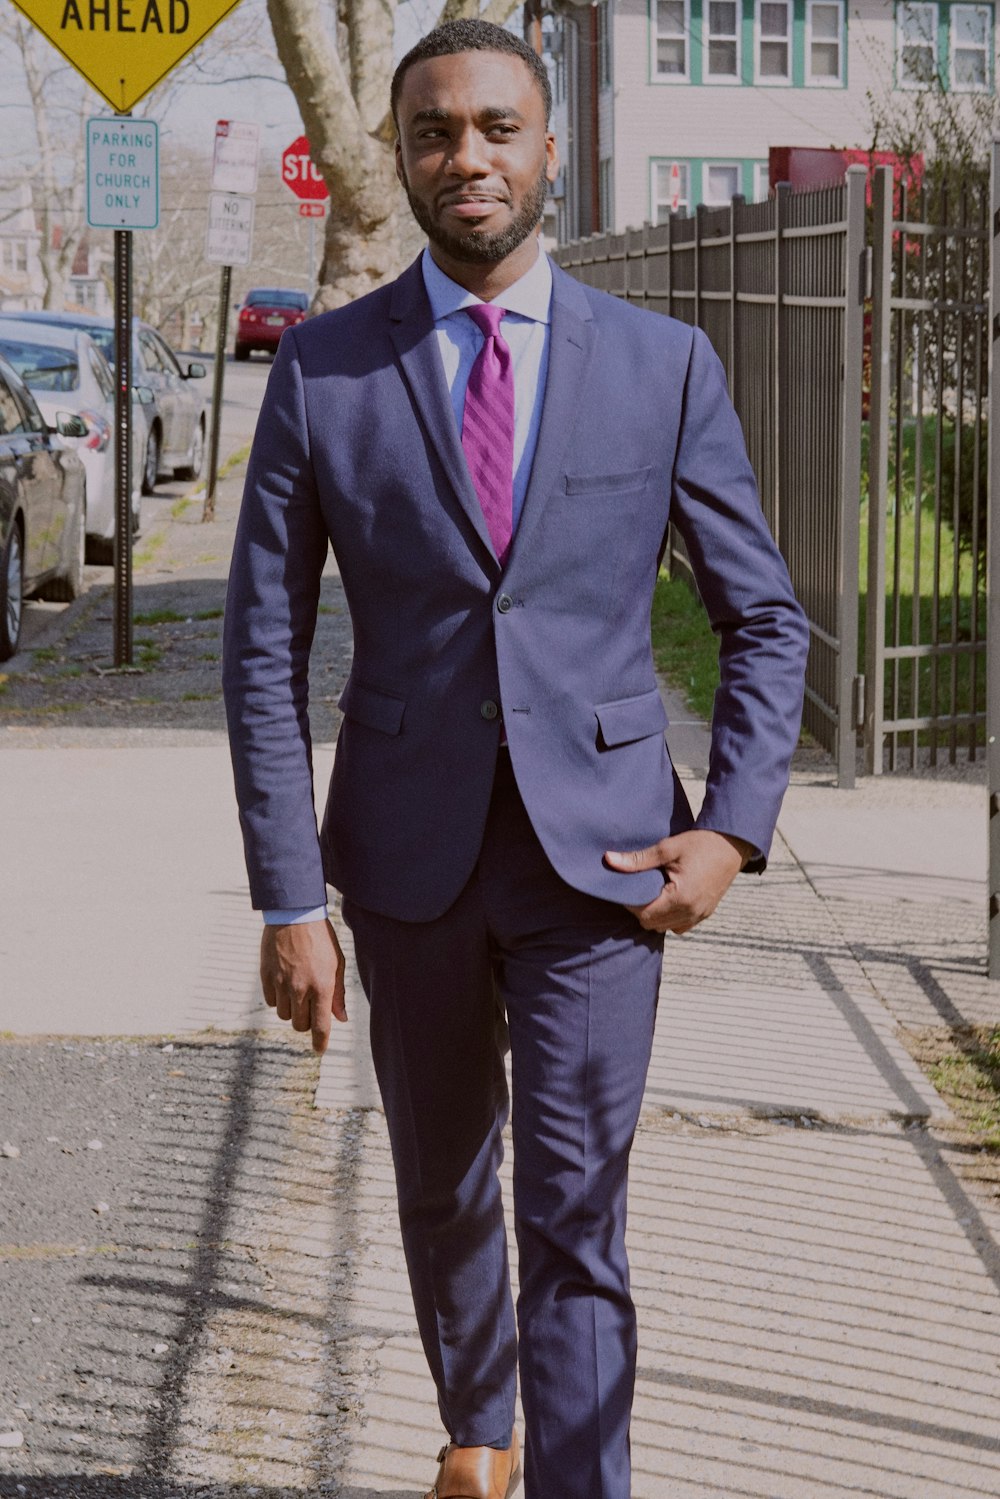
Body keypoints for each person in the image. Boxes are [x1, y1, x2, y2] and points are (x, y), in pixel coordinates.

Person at [222, 19, 809, 1499]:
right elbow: (259, 648)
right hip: (407, 864)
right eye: (434, 133)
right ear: (402, 159)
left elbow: (764, 615)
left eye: (496, 128)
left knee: (574, 1207)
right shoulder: (326, 370)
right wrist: (289, 899)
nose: (465, 156)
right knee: (439, 1185)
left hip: (606, 861)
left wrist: (732, 827)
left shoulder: (664, 363)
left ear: (550, 150)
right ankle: (477, 1425)